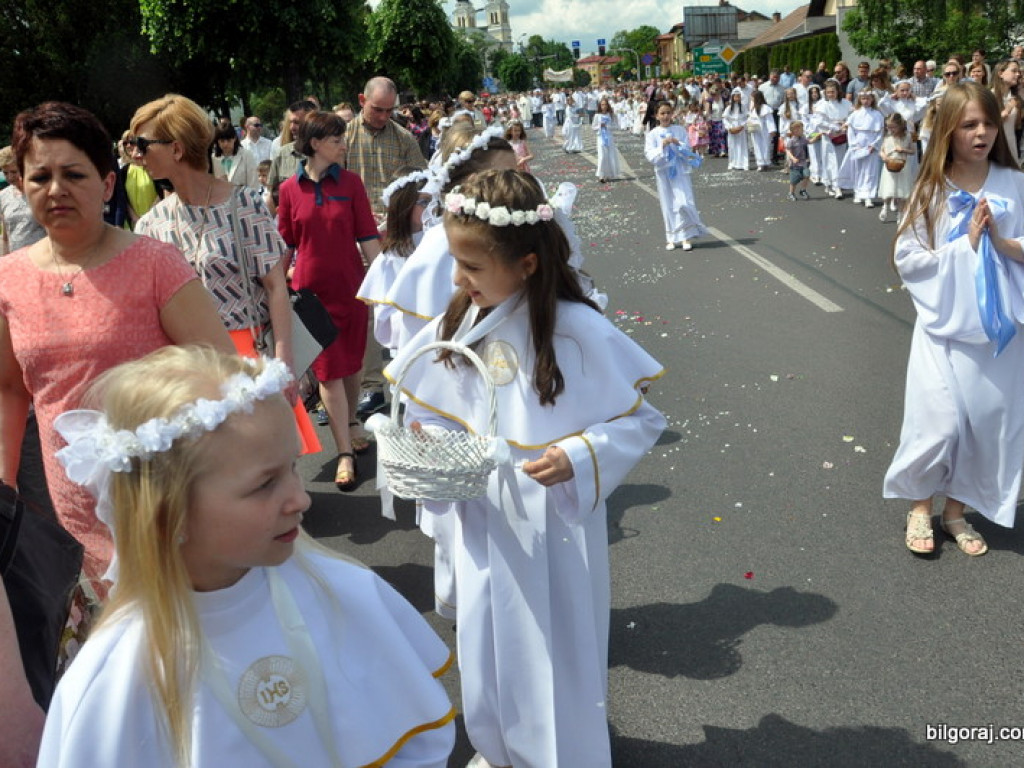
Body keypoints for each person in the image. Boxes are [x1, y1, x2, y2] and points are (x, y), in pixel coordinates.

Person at [39, 346, 456, 766]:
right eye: (263, 485)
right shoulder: (118, 676)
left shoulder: (342, 592)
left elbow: (416, 744)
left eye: (293, 467)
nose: (301, 499)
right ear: (169, 512)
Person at [382, 169, 665, 768]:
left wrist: (580, 455)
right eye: (457, 264)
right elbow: (438, 405)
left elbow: (638, 422)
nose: (457, 279)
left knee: (552, 649)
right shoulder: (461, 323)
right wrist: (429, 440)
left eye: (473, 267)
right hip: (483, 514)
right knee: (487, 644)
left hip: (554, 525)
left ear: (527, 263)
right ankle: (499, 748)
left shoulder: (579, 330)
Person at [0, 102, 233, 591]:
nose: (56, 189)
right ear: (19, 186)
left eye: (73, 174)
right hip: (75, 516)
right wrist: (6, 485)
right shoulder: (8, 281)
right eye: (39, 176)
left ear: (107, 184)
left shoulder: (154, 264)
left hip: (167, 498)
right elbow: (10, 390)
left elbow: (223, 373)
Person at [131, 95, 319, 453]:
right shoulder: (151, 224)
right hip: (188, 364)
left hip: (246, 352)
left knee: (264, 465)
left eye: (143, 144)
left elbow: (276, 286)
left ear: (175, 148)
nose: (137, 154)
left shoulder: (244, 205)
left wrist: (284, 363)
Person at [884, 82, 1024, 557]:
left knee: (986, 422)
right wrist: (963, 245)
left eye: (988, 122)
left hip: (999, 332)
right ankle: (919, 506)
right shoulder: (931, 187)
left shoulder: (1015, 182)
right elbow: (909, 259)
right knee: (939, 422)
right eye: (969, 124)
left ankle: (956, 511)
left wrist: (1003, 244)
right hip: (944, 328)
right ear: (948, 129)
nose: (981, 132)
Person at [277, 112, 381, 492]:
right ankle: (344, 454)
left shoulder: (351, 184)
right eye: (337, 139)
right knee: (329, 372)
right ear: (316, 143)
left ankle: (350, 421)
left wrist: (386, 284)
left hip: (352, 290)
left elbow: (368, 236)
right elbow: (286, 244)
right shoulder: (289, 189)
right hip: (310, 298)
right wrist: (274, 289)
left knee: (350, 366)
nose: (344, 144)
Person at [357, 168, 430, 354]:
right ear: (404, 205)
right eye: (423, 202)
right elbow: (384, 316)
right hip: (409, 342)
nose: (430, 208)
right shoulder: (391, 257)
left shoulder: (439, 241)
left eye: (432, 201)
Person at [645, 101, 706, 251]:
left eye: (668, 113)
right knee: (668, 204)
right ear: (656, 116)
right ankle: (671, 236)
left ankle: (686, 235)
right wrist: (662, 146)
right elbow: (650, 155)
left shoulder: (679, 130)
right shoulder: (652, 134)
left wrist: (677, 143)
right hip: (664, 172)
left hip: (679, 171)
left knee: (684, 202)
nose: (666, 116)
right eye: (662, 113)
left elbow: (688, 149)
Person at [835, 90, 884, 206]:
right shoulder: (855, 114)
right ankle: (857, 192)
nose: (866, 101)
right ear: (860, 100)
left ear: (872, 100)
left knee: (870, 170)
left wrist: (874, 145)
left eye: (868, 99)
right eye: (863, 99)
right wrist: (854, 145)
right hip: (858, 143)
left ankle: (868, 196)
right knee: (857, 169)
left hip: (871, 144)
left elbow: (880, 132)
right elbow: (851, 130)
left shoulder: (877, 115)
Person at [0, 146, 45, 254]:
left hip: (40, 256)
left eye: (14, 172)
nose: (10, 177)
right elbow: (6, 235)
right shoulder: (3, 196)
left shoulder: (40, 192)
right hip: (15, 258)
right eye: (5, 173)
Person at [816, 80, 853, 198]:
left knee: (840, 159)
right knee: (830, 160)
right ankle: (833, 185)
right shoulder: (823, 105)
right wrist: (833, 127)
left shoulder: (845, 103)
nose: (830, 94)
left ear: (838, 91)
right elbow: (819, 121)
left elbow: (851, 116)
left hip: (842, 134)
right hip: (829, 135)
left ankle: (838, 183)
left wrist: (844, 124)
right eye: (828, 92)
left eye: (833, 92)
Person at [877, 113, 915, 222]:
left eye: (893, 127)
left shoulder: (907, 136)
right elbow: (882, 150)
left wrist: (903, 150)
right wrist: (884, 156)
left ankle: (900, 213)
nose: (890, 129)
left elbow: (913, 151)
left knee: (901, 191)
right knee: (888, 187)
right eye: (888, 127)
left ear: (900, 126)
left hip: (902, 165)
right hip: (889, 164)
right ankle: (884, 207)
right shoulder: (887, 136)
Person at [992, 60, 1022, 165]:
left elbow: (1017, 127)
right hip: (995, 150)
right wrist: (1007, 110)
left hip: (1011, 147)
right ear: (1000, 73)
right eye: (1014, 71)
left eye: (1018, 72)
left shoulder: (1015, 98)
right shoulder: (989, 96)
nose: (1018, 74)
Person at [211, 123, 259, 190]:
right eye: (222, 141)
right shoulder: (213, 158)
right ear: (217, 141)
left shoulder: (246, 155)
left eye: (229, 140)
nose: (225, 144)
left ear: (235, 139)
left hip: (243, 199)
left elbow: (253, 183)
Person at [592, 97, 621, 183]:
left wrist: (607, 126)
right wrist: (599, 126)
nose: (603, 106)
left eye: (605, 104)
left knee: (610, 155)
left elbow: (616, 126)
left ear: (607, 105)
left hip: (609, 137)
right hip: (601, 137)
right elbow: (593, 127)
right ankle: (601, 174)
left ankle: (608, 174)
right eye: (602, 105)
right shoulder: (597, 115)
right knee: (602, 156)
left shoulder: (611, 115)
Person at [723, 88, 750, 171]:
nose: (737, 98)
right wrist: (729, 128)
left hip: (741, 128)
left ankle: (744, 164)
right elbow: (725, 118)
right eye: (736, 96)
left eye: (739, 96)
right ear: (733, 97)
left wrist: (742, 126)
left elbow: (748, 117)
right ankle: (732, 163)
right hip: (732, 128)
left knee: (742, 146)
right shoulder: (728, 108)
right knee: (732, 146)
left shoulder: (744, 107)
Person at [785, 120, 811, 201]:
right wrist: (793, 158)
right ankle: (791, 193)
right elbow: (788, 151)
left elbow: (809, 142)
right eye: (800, 129)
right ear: (795, 131)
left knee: (807, 174)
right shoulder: (791, 141)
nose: (802, 131)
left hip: (803, 162)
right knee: (794, 180)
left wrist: (818, 136)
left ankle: (803, 190)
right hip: (795, 164)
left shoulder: (803, 139)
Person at [748, 90, 774, 171]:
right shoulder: (753, 107)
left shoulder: (765, 108)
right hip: (755, 130)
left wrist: (772, 130)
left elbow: (769, 120)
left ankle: (766, 162)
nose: (751, 99)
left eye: (752, 97)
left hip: (764, 130)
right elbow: (750, 118)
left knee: (765, 146)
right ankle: (760, 163)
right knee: (757, 147)